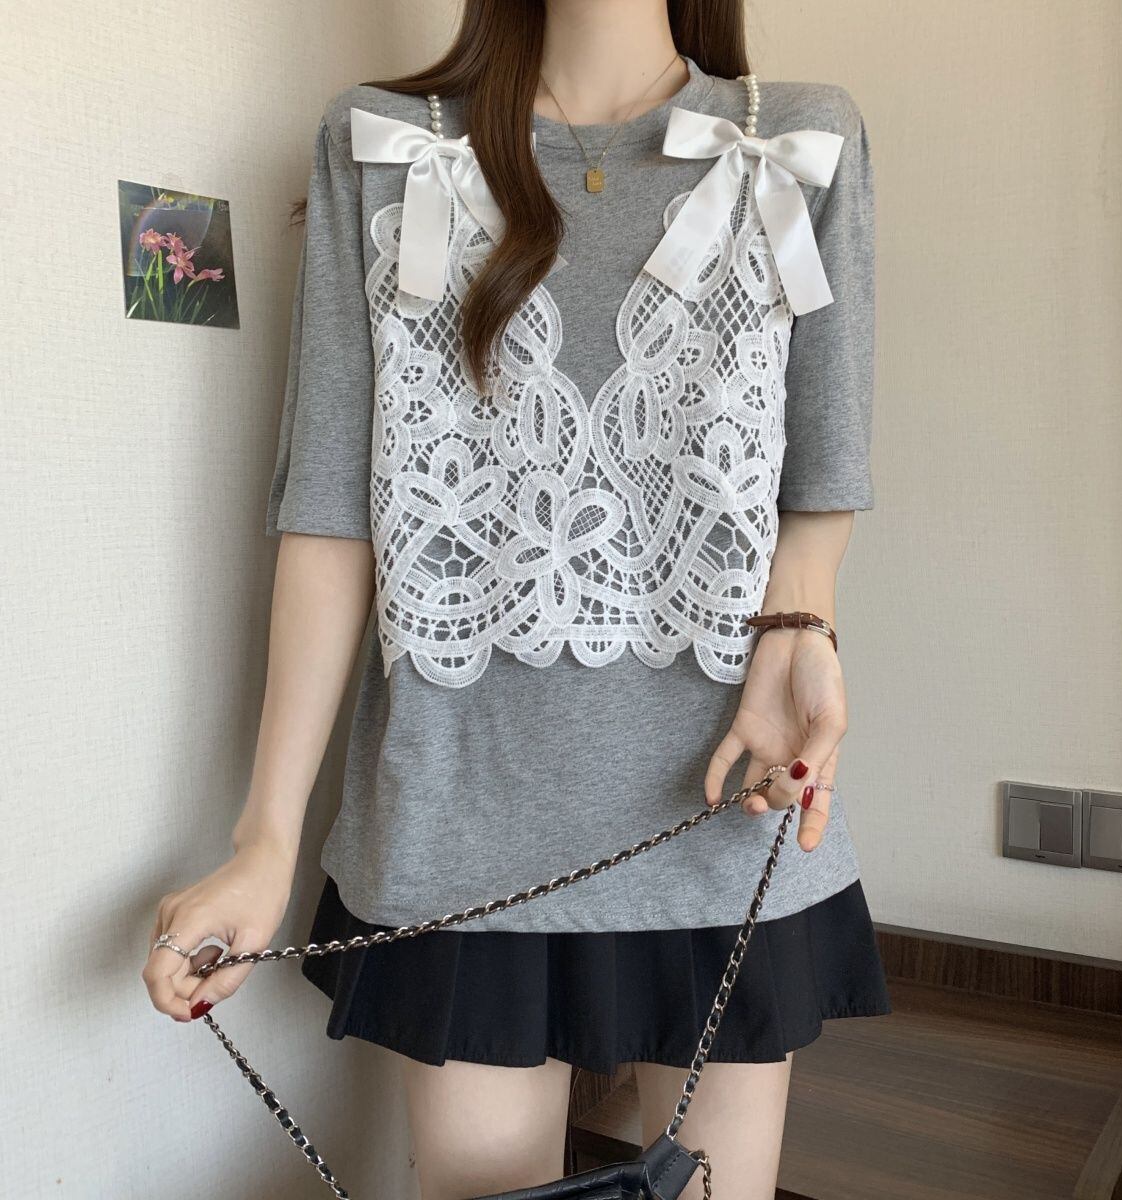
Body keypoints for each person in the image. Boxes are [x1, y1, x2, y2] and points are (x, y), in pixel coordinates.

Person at [142, 1, 891, 1196]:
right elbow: (329, 512)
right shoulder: (384, 145)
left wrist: (801, 631)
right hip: (457, 827)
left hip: (726, 815)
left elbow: (824, 473)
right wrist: (263, 839)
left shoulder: (798, 138)